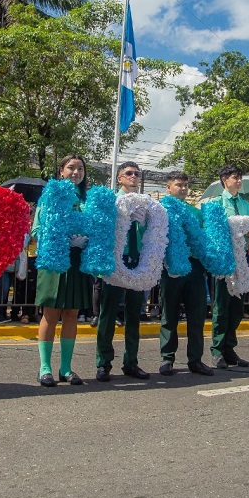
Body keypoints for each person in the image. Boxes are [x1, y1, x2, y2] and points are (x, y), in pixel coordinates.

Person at [33, 155, 91, 387]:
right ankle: (44, 367)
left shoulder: (88, 199)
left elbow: (96, 226)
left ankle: (65, 368)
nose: (76, 172)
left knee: (71, 314)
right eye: (71, 168)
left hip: (77, 260)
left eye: (80, 168)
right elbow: (37, 230)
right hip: (55, 260)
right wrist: (60, 238)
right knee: (51, 313)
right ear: (61, 171)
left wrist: (86, 239)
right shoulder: (49, 195)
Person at [95, 161, 150, 382]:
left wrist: (144, 222)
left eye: (137, 174)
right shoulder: (113, 201)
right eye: (129, 173)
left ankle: (131, 362)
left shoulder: (145, 203)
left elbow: (151, 233)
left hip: (136, 259)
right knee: (108, 314)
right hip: (116, 259)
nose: (134, 177)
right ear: (119, 178)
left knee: (134, 314)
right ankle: (103, 363)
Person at [157, 172, 215, 376]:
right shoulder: (161, 210)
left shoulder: (195, 212)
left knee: (197, 315)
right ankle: (167, 358)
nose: (183, 188)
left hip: (195, 266)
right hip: (171, 266)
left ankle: (195, 360)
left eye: (185, 185)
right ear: (168, 187)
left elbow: (203, 238)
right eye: (178, 185)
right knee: (169, 313)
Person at [210, 165, 249, 369]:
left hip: (241, 260)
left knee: (237, 307)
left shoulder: (246, 205)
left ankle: (230, 348)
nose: (238, 181)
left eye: (240, 177)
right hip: (223, 259)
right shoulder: (217, 203)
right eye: (235, 177)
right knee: (221, 306)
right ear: (224, 180)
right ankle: (217, 350)